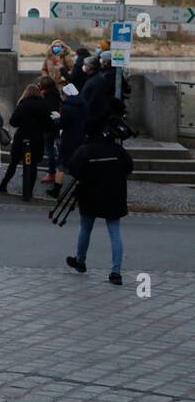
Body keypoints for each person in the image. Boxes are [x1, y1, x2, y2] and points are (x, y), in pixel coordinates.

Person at [65, 121, 133, 285]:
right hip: (114, 195)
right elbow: (129, 168)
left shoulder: (85, 150)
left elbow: (73, 170)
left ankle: (80, 261)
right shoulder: (117, 150)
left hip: (90, 195)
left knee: (85, 228)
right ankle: (116, 272)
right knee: (115, 232)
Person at [0, 83, 54, 200]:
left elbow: (13, 122)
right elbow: (49, 124)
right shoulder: (44, 105)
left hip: (22, 137)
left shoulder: (23, 104)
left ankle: (3, 184)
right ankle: (29, 191)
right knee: (33, 165)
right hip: (37, 138)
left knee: (14, 162)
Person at [36, 74, 65, 197]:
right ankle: (54, 172)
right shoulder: (54, 94)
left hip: (50, 128)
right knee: (53, 151)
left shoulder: (49, 97)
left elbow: (48, 113)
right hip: (53, 127)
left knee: (51, 151)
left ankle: (52, 173)